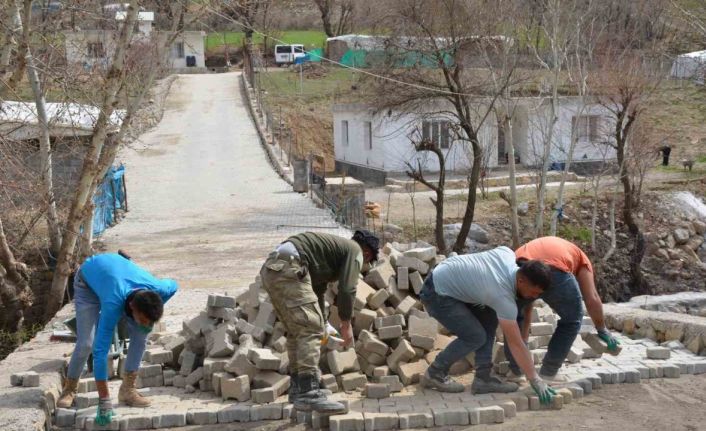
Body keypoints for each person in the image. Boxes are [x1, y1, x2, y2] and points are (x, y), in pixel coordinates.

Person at [418, 246, 557, 405]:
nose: (534, 297)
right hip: (436, 293)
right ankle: (434, 373)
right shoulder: (501, 297)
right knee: (475, 336)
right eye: (533, 292)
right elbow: (516, 344)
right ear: (521, 280)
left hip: (451, 279)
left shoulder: (507, 254)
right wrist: (535, 379)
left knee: (489, 315)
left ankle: (483, 378)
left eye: (539, 294)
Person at [259, 230, 379, 413]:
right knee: (310, 328)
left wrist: (324, 324)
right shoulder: (355, 250)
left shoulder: (329, 253)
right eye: (366, 263)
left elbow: (317, 292)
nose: (363, 266)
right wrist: (345, 324)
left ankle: (298, 388)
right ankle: (308, 392)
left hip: (273, 268)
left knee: (297, 330)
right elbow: (348, 289)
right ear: (367, 254)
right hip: (291, 268)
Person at [57, 253, 178, 426]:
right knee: (87, 344)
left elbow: (175, 285)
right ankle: (69, 388)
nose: (146, 323)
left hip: (117, 279)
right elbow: (100, 352)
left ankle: (127, 389)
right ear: (131, 307)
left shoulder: (160, 288)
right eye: (143, 318)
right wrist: (104, 400)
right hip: (87, 283)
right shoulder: (113, 304)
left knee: (141, 334)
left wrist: (154, 312)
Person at [506, 236, 620, 383]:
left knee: (512, 318)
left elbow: (527, 304)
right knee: (572, 320)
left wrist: (524, 340)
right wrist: (602, 329)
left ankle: (516, 371)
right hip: (555, 270)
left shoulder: (543, 248)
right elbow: (592, 297)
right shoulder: (583, 261)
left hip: (517, 267)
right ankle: (548, 373)